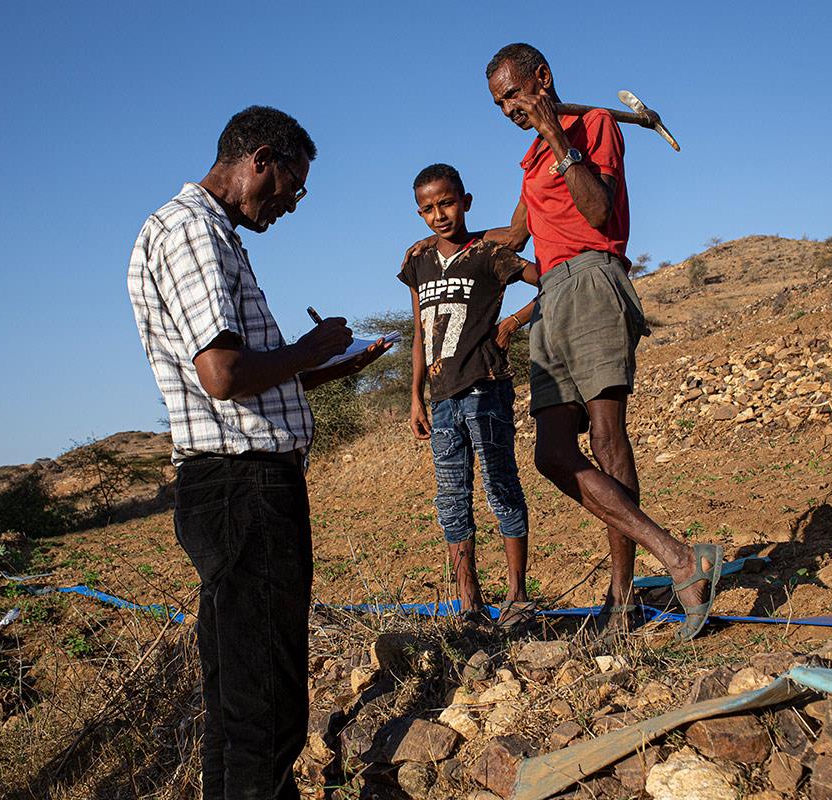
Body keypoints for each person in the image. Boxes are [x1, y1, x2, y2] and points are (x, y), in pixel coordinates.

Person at [128, 105, 390, 799]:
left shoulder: (209, 233)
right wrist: (308, 348)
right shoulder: (193, 231)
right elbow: (222, 375)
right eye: (289, 189)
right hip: (242, 488)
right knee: (265, 704)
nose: (289, 206)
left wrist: (330, 364)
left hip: (229, 487)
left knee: (237, 698)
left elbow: (247, 375)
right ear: (260, 158)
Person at [482, 43, 722, 641]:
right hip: (552, 297)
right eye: (498, 102)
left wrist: (561, 140)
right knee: (551, 454)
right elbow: (516, 235)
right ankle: (677, 556)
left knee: (608, 435)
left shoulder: (593, 127)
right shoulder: (531, 157)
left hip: (594, 277)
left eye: (513, 93)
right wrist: (447, 241)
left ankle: (622, 598)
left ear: (541, 78)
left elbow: (598, 212)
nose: (508, 108)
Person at [399, 163, 540, 628]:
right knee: (451, 499)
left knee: (501, 487)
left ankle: (518, 597)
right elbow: (420, 333)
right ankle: (470, 605)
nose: (439, 215)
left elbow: (552, 281)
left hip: (487, 390)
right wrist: (416, 396)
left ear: (466, 202)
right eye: (428, 209)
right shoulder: (417, 261)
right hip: (441, 400)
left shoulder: (489, 254)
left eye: (447, 203)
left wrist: (513, 323)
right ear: (419, 212)